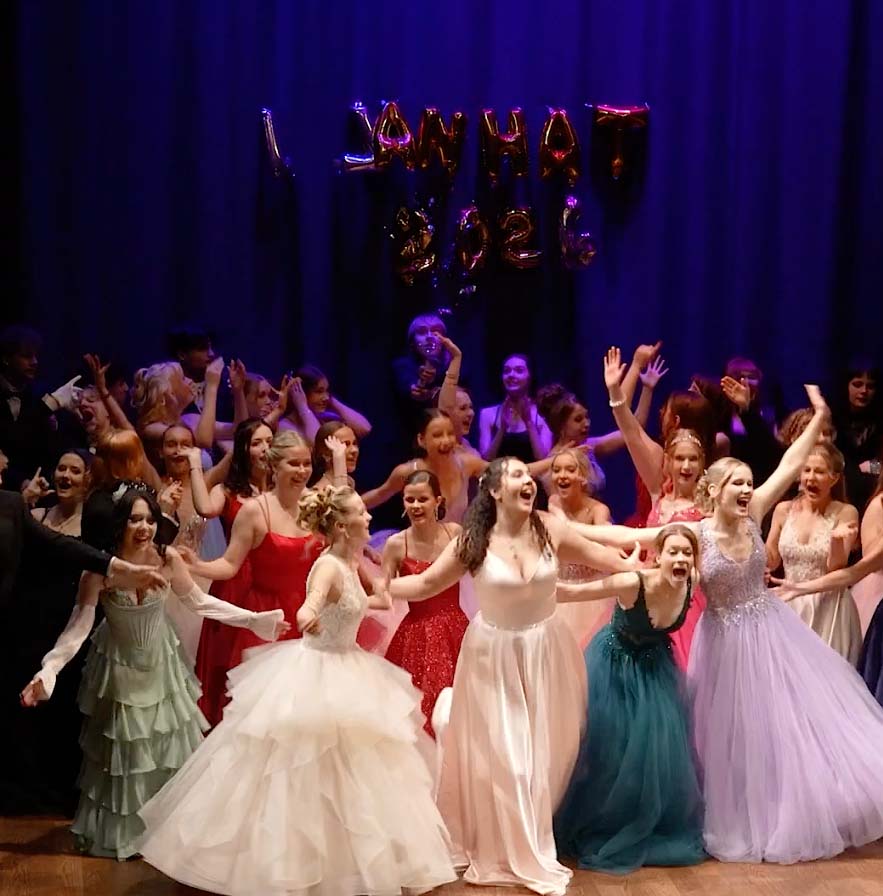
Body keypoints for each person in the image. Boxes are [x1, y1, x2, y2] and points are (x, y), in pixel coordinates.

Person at [567, 386, 883, 863]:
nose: (748, 489)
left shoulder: (755, 514)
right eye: (738, 483)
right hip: (723, 641)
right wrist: (561, 528)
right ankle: (738, 813)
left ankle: (785, 809)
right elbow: (624, 535)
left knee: (781, 724)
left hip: (770, 632)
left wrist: (820, 416)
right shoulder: (696, 533)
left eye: (749, 482)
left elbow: (790, 464)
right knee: (729, 735)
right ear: (714, 491)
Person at [136, 487, 456, 896]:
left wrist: (384, 591)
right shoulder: (328, 566)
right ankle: (295, 865)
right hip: (318, 670)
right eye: (361, 513)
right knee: (303, 768)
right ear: (343, 526)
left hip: (349, 667)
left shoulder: (350, 561)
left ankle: (343, 866)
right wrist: (307, 617)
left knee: (354, 771)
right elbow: (311, 603)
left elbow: (367, 601)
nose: (369, 518)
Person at [387, 457, 639, 895]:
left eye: (529, 475)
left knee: (547, 759)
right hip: (494, 658)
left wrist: (641, 565)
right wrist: (375, 586)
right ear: (494, 490)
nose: (529, 481)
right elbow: (425, 584)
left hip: (546, 653)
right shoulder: (474, 540)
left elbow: (604, 555)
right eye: (517, 475)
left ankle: (527, 832)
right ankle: (519, 851)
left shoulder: (549, 528)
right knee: (512, 761)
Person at [20, 484, 287, 859]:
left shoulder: (167, 558)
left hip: (162, 666)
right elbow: (78, 627)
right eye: (135, 520)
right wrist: (48, 671)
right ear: (121, 524)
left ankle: (168, 836)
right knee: (126, 757)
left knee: (165, 750)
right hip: (120, 667)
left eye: (149, 519)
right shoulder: (101, 569)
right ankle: (128, 837)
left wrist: (254, 620)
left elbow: (200, 602)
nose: (144, 527)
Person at [553, 525, 706, 874]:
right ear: (658, 556)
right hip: (615, 667)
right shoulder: (631, 582)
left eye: (687, 553)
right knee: (611, 749)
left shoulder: (693, 582)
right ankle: (602, 821)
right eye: (673, 552)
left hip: (655, 668)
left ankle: (648, 819)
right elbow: (571, 593)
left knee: (657, 752)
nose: (680, 559)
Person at [604, 346, 708, 669]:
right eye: (680, 459)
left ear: (702, 463)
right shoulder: (657, 487)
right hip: (648, 596)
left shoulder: (710, 502)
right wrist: (615, 391)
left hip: (688, 603)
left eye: (693, 460)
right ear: (669, 462)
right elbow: (630, 431)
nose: (685, 466)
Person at [190, 418, 273, 725]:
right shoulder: (227, 490)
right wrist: (195, 465)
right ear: (243, 450)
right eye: (257, 443)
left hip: (273, 580)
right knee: (229, 658)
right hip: (236, 582)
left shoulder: (283, 489)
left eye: (269, 441)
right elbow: (205, 508)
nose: (265, 449)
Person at [382, 469, 467, 736]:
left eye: (423, 499)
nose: (416, 506)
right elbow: (383, 591)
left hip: (455, 629)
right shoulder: (396, 544)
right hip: (415, 635)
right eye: (410, 500)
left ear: (437, 501)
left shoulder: (454, 533)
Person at [765, 442, 861, 662]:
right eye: (806, 470)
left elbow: (836, 568)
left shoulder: (846, 512)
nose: (811, 478)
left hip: (828, 607)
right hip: (789, 601)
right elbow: (772, 560)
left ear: (834, 478)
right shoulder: (783, 510)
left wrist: (836, 540)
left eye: (819, 471)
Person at [478, 354, 553, 463]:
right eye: (507, 371)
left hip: (532, 473)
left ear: (529, 376)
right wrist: (502, 429)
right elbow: (486, 460)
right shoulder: (487, 414)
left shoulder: (543, 413)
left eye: (519, 371)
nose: (511, 375)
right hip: (498, 473)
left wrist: (529, 423)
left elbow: (542, 459)